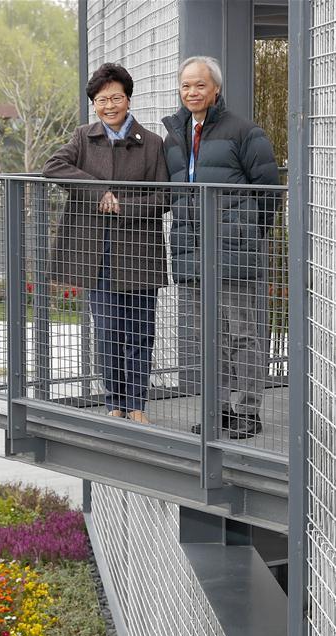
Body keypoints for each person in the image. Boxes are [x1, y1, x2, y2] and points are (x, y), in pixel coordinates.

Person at [43, 63, 168, 424]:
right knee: (109, 330)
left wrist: (123, 206)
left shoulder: (153, 143)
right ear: (93, 104)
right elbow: (53, 167)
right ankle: (115, 402)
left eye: (116, 97)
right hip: (97, 256)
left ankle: (138, 405)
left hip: (140, 253)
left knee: (141, 330)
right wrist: (101, 192)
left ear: (128, 99)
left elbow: (164, 198)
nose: (109, 105)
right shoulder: (84, 137)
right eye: (101, 100)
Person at [161, 56, 278, 439]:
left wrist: (246, 236)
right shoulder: (174, 135)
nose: (192, 92)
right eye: (185, 86)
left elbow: (269, 193)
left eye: (199, 85)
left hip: (233, 251)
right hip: (191, 252)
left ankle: (247, 411)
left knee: (243, 335)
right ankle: (220, 409)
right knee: (208, 337)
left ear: (216, 89)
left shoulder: (245, 131)